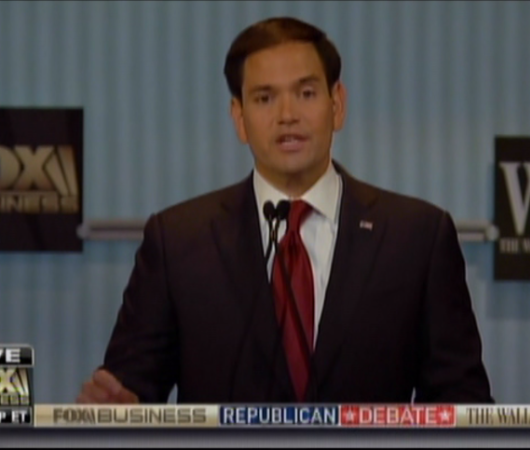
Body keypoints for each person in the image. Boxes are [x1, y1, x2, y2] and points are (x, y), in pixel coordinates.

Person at [77, 16, 493, 405]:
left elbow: (463, 407)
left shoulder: (416, 237)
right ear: (239, 117)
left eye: (306, 93)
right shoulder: (178, 242)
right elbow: (129, 396)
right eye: (264, 98)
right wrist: (113, 411)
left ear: (337, 104)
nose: (287, 115)